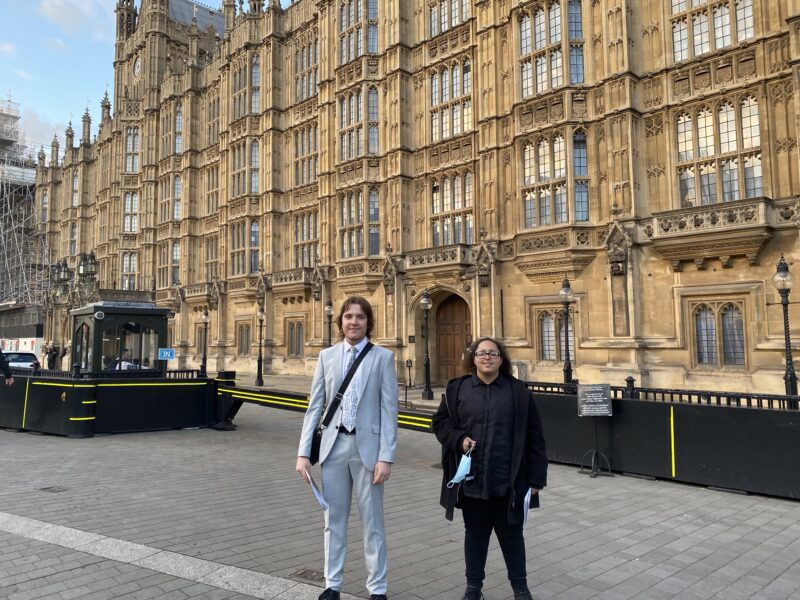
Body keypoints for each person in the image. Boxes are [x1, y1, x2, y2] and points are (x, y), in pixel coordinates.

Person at [296, 296, 399, 600]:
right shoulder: (327, 356)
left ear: (369, 322)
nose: (353, 322)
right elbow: (315, 407)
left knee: (373, 523)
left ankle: (377, 589)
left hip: (368, 450)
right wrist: (303, 452)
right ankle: (332, 585)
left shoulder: (382, 357)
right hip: (333, 447)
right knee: (334, 520)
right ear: (340, 322)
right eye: (348, 317)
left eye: (360, 317)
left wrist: (386, 456)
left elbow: (388, 410)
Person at [433, 337, 547, 600]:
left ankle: (520, 589)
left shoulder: (517, 391)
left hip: (509, 480)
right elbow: (440, 424)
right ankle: (474, 588)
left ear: (501, 359)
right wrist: (459, 439)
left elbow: (535, 437)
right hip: (473, 481)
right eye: (481, 353)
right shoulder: (457, 390)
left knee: (512, 537)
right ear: (473, 358)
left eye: (493, 353)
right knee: (474, 536)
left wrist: (536, 480)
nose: (487, 357)